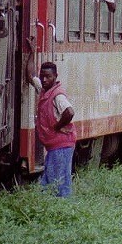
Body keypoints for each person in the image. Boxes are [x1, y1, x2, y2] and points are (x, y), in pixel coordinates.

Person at [24, 36, 76, 197]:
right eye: (43, 76)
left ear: (55, 77)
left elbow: (70, 112)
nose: (44, 79)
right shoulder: (44, 90)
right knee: (50, 180)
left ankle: (62, 210)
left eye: (48, 77)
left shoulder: (57, 95)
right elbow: (30, 75)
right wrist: (32, 53)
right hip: (56, 145)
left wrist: (57, 127)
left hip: (61, 144)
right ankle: (56, 209)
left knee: (58, 182)